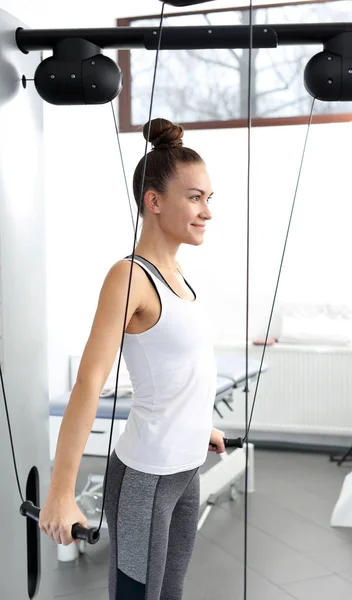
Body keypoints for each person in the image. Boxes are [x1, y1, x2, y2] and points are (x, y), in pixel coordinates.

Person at [39, 117, 225, 600]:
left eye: (209, 198)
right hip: (145, 476)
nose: (207, 211)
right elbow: (88, 382)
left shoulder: (179, 273)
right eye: (195, 197)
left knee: (170, 593)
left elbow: (177, 368)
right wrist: (61, 493)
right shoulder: (129, 277)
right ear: (155, 201)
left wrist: (196, 425)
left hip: (184, 470)